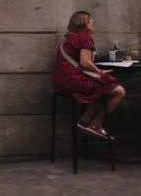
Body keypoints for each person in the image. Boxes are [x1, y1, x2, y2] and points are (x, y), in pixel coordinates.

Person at [53, 11, 126, 140]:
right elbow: (85, 63)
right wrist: (99, 72)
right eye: (91, 21)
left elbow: (78, 65)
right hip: (74, 81)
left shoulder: (69, 38)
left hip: (61, 81)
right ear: (83, 23)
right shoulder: (84, 37)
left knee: (103, 88)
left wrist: (98, 73)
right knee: (118, 91)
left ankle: (86, 121)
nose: (94, 23)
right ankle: (94, 124)